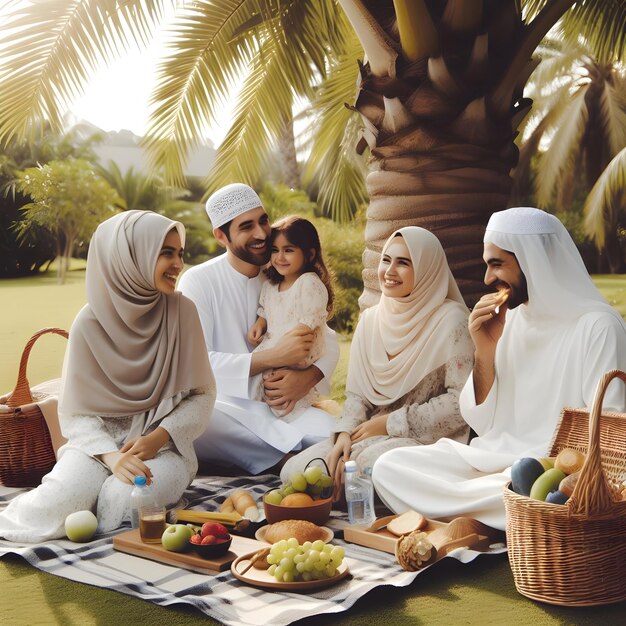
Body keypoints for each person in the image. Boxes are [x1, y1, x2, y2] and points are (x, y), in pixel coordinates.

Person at [372, 207, 626, 530]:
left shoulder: (598, 327)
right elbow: (481, 422)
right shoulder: (509, 318)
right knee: (389, 466)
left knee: (525, 490)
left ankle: (506, 512)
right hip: (488, 459)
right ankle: (503, 517)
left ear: (533, 262)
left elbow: (609, 432)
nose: (487, 279)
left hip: (544, 470)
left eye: (497, 265)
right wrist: (484, 351)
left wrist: (552, 475)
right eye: (486, 264)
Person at [0, 210, 215, 542]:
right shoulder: (89, 323)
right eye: (166, 253)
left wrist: (160, 436)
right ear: (131, 258)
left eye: (180, 253)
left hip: (163, 449)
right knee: (56, 505)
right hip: (95, 447)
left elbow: (202, 395)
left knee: (121, 502)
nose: (177, 264)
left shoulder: (182, 312)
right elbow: (75, 412)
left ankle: (156, 494)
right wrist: (111, 457)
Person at [280, 227, 473, 494]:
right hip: (369, 433)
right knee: (296, 471)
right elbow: (357, 397)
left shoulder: (452, 321)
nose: (390, 271)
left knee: (366, 469)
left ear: (428, 268)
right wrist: (344, 433)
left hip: (428, 441)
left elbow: (459, 404)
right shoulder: (371, 320)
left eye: (404, 262)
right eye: (386, 259)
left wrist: (390, 423)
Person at [178, 183, 339, 475]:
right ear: (220, 236)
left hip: (283, 404)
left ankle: (298, 453)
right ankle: (284, 461)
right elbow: (198, 365)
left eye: (263, 220)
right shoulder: (198, 282)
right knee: (196, 417)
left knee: (342, 435)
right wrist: (273, 357)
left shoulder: (279, 273)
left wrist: (307, 378)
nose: (262, 233)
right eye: (246, 226)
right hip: (227, 409)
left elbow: (327, 338)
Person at [248, 215, 333, 418]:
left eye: (288, 250)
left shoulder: (309, 284)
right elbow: (266, 310)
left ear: (310, 254)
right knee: (259, 390)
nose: (280, 257)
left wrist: (286, 350)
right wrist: (260, 324)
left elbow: (308, 323)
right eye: (275, 250)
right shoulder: (269, 286)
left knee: (285, 400)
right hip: (273, 348)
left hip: (297, 348)